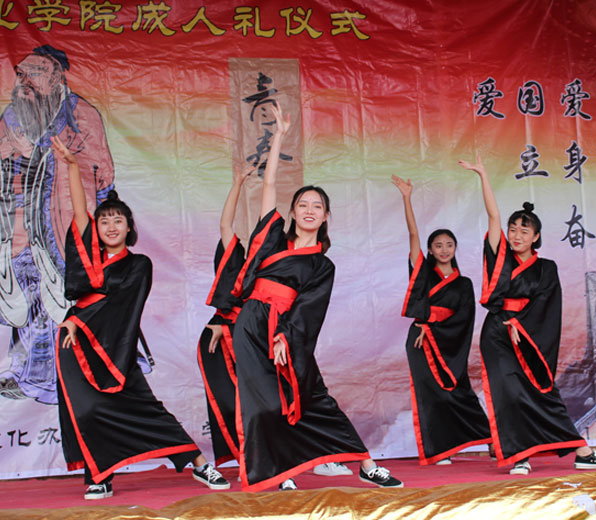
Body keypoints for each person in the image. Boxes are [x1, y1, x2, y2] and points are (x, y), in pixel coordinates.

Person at [231, 104, 402, 491]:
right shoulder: (274, 239)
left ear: (326, 216)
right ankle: (281, 472)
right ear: (292, 212)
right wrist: (278, 137)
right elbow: (268, 188)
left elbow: (310, 309)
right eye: (303, 205)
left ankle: (366, 464)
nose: (309, 211)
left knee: (314, 397)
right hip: (251, 324)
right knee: (263, 403)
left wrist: (284, 336)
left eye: (317, 206)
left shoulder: (322, 265)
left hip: (286, 330)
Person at [51, 136, 229, 499]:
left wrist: (79, 318)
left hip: (115, 345)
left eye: (118, 220)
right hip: (75, 342)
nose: (111, 226)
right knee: (87, 411)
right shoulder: (91, 259)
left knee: (147, 408)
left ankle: (198, 463)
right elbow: (79, 212)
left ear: (129, 227)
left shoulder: (139, 265)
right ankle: (100, 476)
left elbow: (120, 303)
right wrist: (72, 166)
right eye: (104, 221)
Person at [458, 155, 596, 475]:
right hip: (498, 334)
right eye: (513, 229)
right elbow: (493, 215)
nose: (516, 235)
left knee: (543, 392)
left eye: (524, 230)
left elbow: (547, 307)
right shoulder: (500, 256)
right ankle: (520, 456)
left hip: (529, 336)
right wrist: (483, 175)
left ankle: (582, 451)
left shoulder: (546, 268)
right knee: (508, 394)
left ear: (536, 237)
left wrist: (522, 325)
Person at [0, 45, 115, 404]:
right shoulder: (13, 115)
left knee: (70, 298)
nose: (24, 82)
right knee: (30, 297)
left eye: (33, 75)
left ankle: (70, 376)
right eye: (20, 74)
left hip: (68, 221)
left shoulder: (82, 114)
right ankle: (32, 374)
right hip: (22, 224)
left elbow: (101, 173)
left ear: (55, 78)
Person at [391, 175, 491, 465]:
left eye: (449, 244)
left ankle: (490, 439)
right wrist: (407, 198)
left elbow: (464, 320)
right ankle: (440, 449)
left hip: (449, 344)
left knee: (460, 391)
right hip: (420, 343)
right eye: (438, 245)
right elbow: (413, 234)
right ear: (430, 250)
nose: (444, 249)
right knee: (430, 395)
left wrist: (434, 325)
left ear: (455, 248)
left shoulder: (463, 283)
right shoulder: (423, 273)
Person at [197, 164, 252, 468]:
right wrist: (238, 184)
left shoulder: (275, 265)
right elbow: (225, 225)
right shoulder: (236, 259)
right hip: (222, 335)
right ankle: (246, 456)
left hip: (255, 337)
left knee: (265, 399)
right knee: (228, 400)